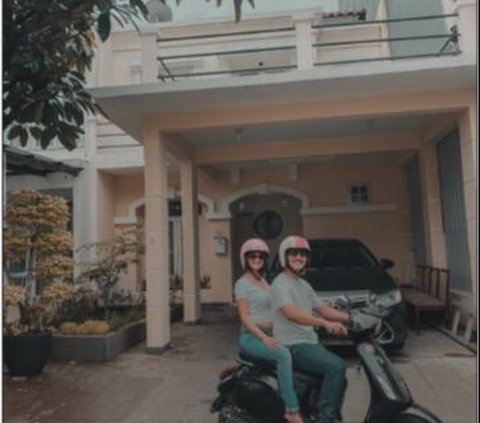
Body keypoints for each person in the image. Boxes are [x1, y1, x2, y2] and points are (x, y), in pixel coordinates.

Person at [271, 235, 350, 423]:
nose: (299, 258)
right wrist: (324, 323)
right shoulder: (280, 284)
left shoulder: (303, 284)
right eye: (294, 254)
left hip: (308, 343)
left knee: (340, 379)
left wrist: (351, 318)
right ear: (284, 257)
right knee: (337, 367)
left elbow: (322, 309)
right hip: (292, 346)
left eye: (303, 254)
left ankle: (318, 414)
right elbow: (291, 313)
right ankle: (326, 419)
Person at [234, 238, 303, 423]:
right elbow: (244, 317)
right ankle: (292, 409)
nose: (257, 259)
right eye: (252, 256)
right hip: (251, 336)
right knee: (283, 355)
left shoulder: (264, 282)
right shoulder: (242, 284)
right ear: (246, 259)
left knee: (300, 348)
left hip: (271, 332)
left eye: (261, 256)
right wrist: (263, 337)